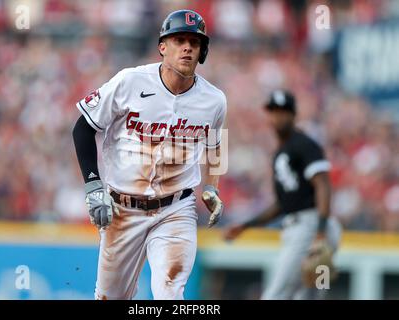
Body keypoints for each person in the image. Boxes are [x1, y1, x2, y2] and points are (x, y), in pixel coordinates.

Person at [72, 9, 227, 300]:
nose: (187, 48)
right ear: (162, 47)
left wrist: (211, 187)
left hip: (176, 210)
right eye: (179, 40)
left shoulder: (214, 100)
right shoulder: (129, 82)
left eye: (194, 43)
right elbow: (82, 128)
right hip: (122, 208)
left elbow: (216, 143)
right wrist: (93, 184)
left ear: (202, 51)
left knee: (170, 293)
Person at [223, 90, 341, 300]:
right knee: (309, 297)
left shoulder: (304, 144)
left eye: (283, 111)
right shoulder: (282, 152)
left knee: (277, 294)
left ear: (293, 115)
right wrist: (246, 225)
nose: (278, 117)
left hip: (311, 228)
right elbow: (283, 204)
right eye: (274, 111)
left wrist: (320, 231)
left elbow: (323, 184)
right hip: (305, 227)